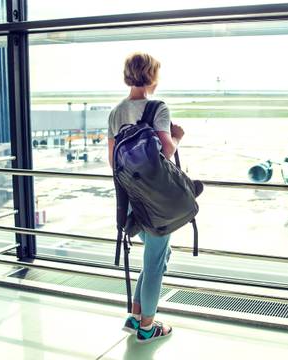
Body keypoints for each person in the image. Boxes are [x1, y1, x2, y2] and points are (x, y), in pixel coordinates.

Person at [107, 52, 184, 343]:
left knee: (156, 257)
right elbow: (165, 151)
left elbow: (113, 161)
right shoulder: (157, 108)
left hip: (129, 198)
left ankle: (136, 315)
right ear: (153, 75)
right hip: (155, 201)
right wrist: (178, 136)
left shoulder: (116, 112)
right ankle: (148, 328)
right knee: (155, 264)